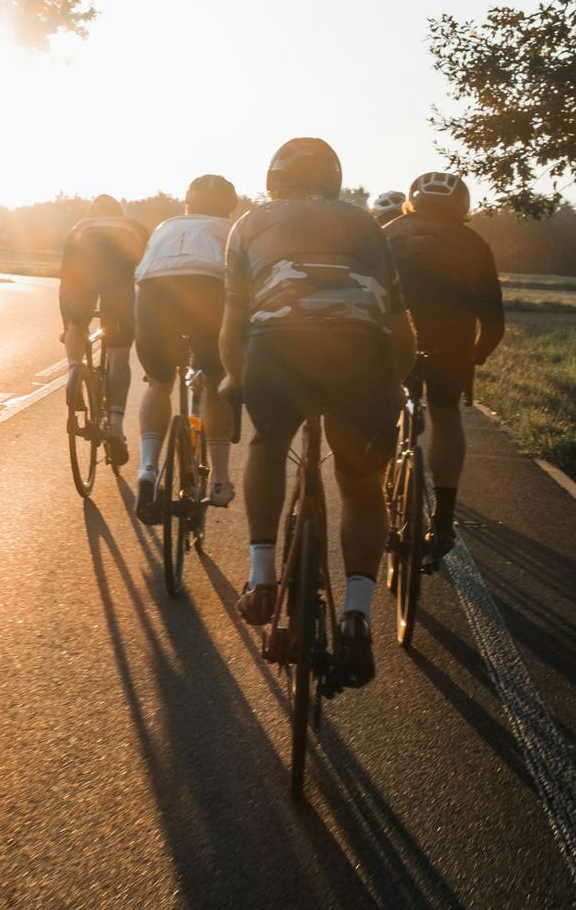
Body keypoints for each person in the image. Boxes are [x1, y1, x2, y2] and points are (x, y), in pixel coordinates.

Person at [221, 137, 416, 689]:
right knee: (360, 485)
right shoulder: (366, 226)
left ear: (273, 179)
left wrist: (237, 378)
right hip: (362, 354)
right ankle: (356, 617)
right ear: (334, 180)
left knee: (266, 441)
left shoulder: (249, 224)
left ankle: (261, 580)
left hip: (277, 348)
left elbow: (232, 320)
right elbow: (399, 324)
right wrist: (393, 387)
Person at [384, 170, 505, 560]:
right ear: (462, 206)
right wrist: (475, 356)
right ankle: (444, 521)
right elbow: (494, 323)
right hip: (450, 341)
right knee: (446, 414)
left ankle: (375, 497)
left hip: (391, 334)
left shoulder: (386, 233)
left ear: (412, 200)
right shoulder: (474, 242)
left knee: (381, 408)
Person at [134, 174, 240, 522]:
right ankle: (221, 480)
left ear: (188, 204)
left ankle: (148, 469)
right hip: (208, 291)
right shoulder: (231, 230)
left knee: (159, 383)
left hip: (154, 294)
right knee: (214, 381)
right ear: (229, 207)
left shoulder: (166, 225)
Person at [58, 195, 148, 466]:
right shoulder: (133, 226)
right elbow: (148, 275)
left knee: (76, 323)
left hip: (81, 261)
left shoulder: (80, 226)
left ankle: (74, 372)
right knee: (119, 354)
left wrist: (69, 327)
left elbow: (66, 282)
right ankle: (116, 427)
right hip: (118, 275)